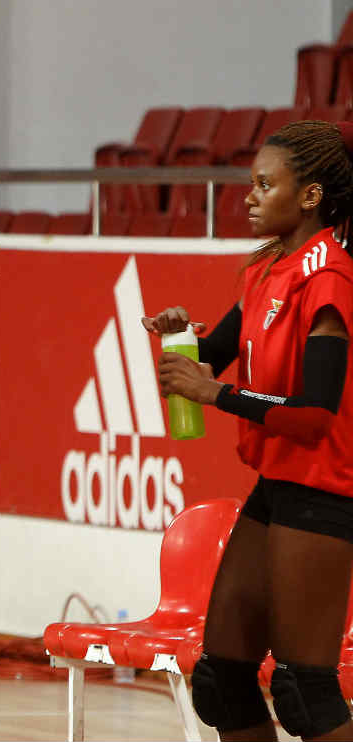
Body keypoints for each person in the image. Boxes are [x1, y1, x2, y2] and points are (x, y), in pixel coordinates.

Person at [145, 120, 353, 742]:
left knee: (305, 690)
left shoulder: (330, 278)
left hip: (324, 491)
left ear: (311, 196)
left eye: (266, 184)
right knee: (223, 677)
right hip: (278, 484)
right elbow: (216, 353)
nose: (250, 196)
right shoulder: (266, 270)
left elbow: (314, 413)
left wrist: (216, 394)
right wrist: (183, 338)